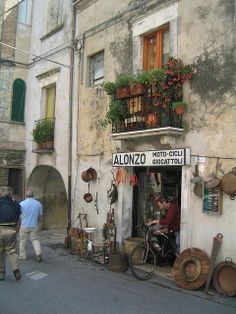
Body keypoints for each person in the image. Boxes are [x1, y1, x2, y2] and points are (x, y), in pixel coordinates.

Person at [0, 186, 21, 281]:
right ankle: (15, 268)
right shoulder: (16, 204)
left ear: (1, 193)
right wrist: (17, 229)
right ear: (10, 194)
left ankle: (1, 273)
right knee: (11, 251)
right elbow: (19, 219)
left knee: (0, 252)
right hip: (12, 230)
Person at [18, 188, 43, 262]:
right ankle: (38, 254)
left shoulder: (22, 203)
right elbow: (40, 215)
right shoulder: (38, 203)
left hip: (24, 225)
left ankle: (23, 256)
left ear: (25, 195)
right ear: (33, 195)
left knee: (23, 241)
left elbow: (19, 215)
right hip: (34, 225)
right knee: (35, 240)